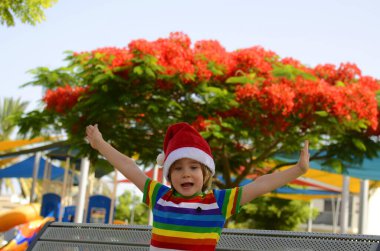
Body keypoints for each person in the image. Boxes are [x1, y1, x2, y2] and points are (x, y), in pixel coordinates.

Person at [86, 122, 309, 251]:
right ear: (169, 174)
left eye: (193, 167)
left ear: (205, 173)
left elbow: (261, 184)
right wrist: (100, 144)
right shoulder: (160, 196)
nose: (185, 173)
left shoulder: (218, 203)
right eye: (178, 168)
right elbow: (129, 166)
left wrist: (298, 169)